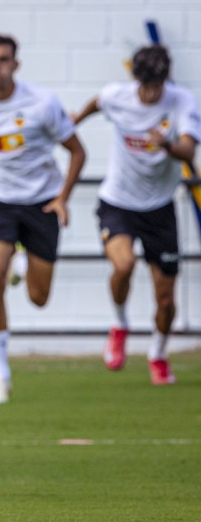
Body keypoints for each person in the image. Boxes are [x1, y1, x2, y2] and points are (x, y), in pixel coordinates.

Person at [0, 35, 85, 405]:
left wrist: (63, 198)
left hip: (41, 203)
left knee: (38, 297)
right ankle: (0, 373)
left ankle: (25, 259)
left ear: (16, 64)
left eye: (4, 60)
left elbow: (78, 153)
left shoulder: (42, 103)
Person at [73, 45, 200, 385]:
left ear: (166, 79)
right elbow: (97, 102)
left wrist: (168, 146)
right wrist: (75, 119)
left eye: (157, 84)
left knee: (165, 297)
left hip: (160, 208)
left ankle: (158, 354)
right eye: (146, 85)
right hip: (118, 202)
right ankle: (119, 324)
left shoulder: (182, 101)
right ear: (135, 79)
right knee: (124, 264)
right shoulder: (117, 96)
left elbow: (188, 149)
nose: (151, 92)